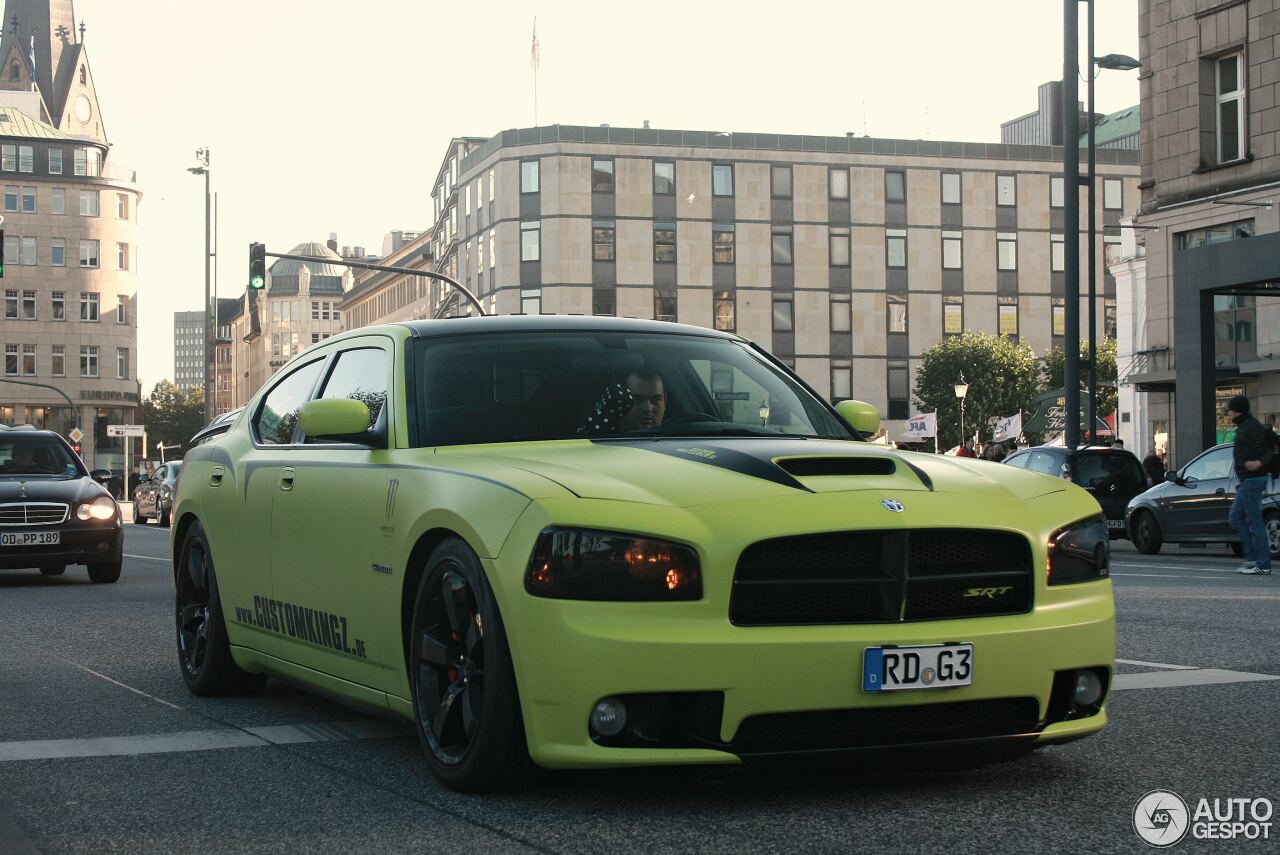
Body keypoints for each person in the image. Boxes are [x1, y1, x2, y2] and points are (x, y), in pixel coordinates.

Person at [1226, 395, 1273, 575]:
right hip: (1247, 480)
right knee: (1236, 516)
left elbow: (1268, 449)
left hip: (1253, 479)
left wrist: (1258, 463)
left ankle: (1262, 564)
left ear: (1237, 410)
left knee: (1254, 521)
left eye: (1230, 410)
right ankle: (1253, 558)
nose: (1228, 413)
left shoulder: (1250, 427)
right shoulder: (1246, 426)